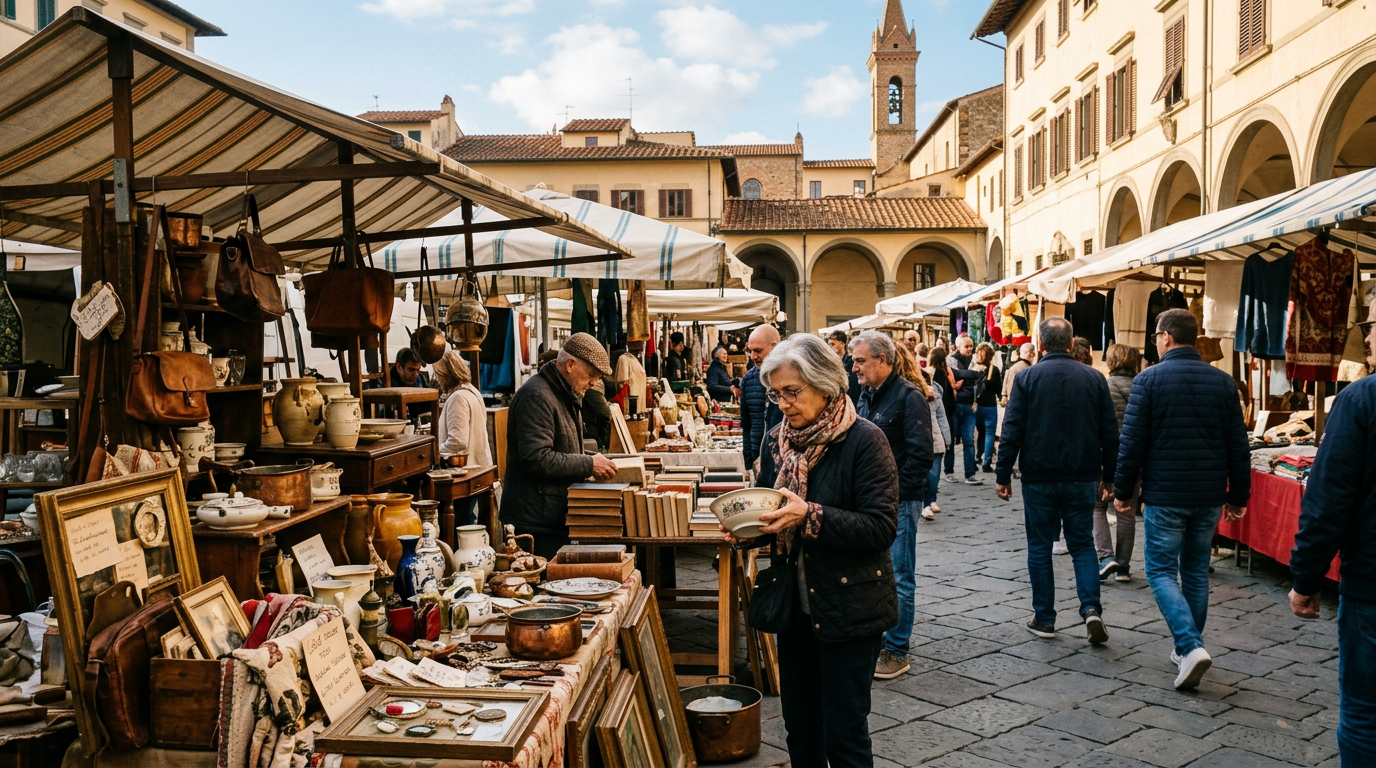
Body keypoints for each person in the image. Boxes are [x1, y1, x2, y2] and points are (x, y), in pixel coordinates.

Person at [728, 333, 897, 767]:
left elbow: (880, 528)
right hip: (796, 608)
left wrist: (811, 516)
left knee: (844, 734)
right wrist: (749, 530)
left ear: (825, 386)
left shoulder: (865, 440)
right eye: (775, 393)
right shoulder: (775, 441)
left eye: (791, 392)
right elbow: (773, 513)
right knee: (800, 730)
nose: (782, 404)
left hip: (851, 606)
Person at [1115, 308, 1249, 690]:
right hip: (1207, 495)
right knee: (1193, 572)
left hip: (1166, 493)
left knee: (1159, 571)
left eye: (1156, 336)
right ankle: (1187, 646)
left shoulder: (1149, 381)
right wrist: (1238, 495)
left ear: (1166, 337)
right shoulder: (1223, 383)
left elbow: (1132, 443)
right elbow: (1237, 446)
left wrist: (1123, 492)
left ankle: (1190, 646)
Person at [1289, 297, 1376, 765]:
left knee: (1365, 712)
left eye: (1371, 324)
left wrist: (1305, 580)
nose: (1365, 335)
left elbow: (1328, 501)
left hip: (1372, 588)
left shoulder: (1361, 398)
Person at [996, 316, 1117, 645]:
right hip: (1082, 474)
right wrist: (1111, 476)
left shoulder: (1028, 377)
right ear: (1071, 342)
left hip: (1039, 475)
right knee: (1082, 545)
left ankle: (1045, 618)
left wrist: (1003, 472)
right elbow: (1110, 431)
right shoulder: (1094, 378)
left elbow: (1013, 427)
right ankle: (1091, 608)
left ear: (1041, 344)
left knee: (1039, 547)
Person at [850, 331, 933, 680]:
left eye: (860, 361)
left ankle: (897, 649)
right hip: (872, 502)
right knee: (875, 571)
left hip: (899, 501)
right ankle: (882, 637)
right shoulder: (868, 395)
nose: (854, 367)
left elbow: (921, 455)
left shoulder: (908, 396)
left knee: (901, 574)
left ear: (883, 360)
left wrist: (893, 491)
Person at [502, 332, 619, 559]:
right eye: (591, 375)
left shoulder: (565, 394)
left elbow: (565, 448)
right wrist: (588, 464)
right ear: (570, 365)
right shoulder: (537, 396)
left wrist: (592, 458)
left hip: (551, 515)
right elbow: (536, 458)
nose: (594, 382)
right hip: (535, 522)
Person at [1092, 344, 1141, 582]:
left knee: (1098, 507)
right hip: (1134, 457)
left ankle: (1105, 557)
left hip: (1105, 455)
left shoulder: (1104, 386)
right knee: (1127, 511)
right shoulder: (1142, 386)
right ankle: (1123, 567)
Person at [433, 350, 492, 467]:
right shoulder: (472, 391)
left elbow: (457, 441)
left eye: (437, 374)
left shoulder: (458, 397)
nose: (437, 379)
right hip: (480, 466)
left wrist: (434, 452)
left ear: (445, 374)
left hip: (467, 468)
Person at [740, 325, 781, 472]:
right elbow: (746, 425)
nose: (753, 356)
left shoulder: (791, 378)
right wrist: (749, 463)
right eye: (750, 351)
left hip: (785, 459)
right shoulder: (748, 380)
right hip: (758, 458)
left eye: (758, 350)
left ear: (774, 347)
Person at [946, 335, 984, 484]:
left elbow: (981, 379)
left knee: (968, 440)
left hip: (969, 404)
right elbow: (954, 378)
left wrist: (976, 399)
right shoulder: (950, 360)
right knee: (951, 439)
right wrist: (973, 376)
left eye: (971, 346)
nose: (970, 349)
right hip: (954, 404)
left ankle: (970, 474)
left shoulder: (975, 360)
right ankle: (949, 471)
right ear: (958, 347)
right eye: (966, 346)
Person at [364, 347, 435, 423]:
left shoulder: (421, 380)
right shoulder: (385, 382)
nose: (415, 374)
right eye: (411, 370)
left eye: (418, 370)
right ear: (398, 367)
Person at [929, 349, 959, 482]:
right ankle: (949, 471)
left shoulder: (931, 373)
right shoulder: (946, 372)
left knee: (936, 443)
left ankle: (937, 474)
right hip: (946, 411)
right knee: (948, 441)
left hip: (937, 410)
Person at [972, 342, 1002, 472]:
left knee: (980, 432)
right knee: (990, 434)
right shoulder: (994, 370)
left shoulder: (974, 370)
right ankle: (987, 462)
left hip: (976, 406)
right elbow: (998, 389)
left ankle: (978, 456)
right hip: (990, 406)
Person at [614, 340, 648, 415]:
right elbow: (622, 384)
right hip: (630, 408)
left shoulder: (635, 360)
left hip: (639, 406)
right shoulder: (624, 359)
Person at [827, 330, 861, 403]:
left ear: (842, 344)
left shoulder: (851, 362)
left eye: (833, 344)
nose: (830, 347)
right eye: (829, 344)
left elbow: (854, 388)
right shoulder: (829, 363)